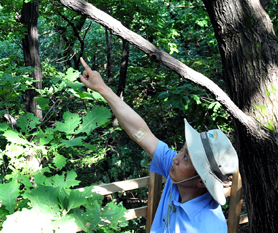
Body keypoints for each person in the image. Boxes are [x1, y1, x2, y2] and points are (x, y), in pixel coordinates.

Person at [78, 57, 238, 233]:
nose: (175, 159)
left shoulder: (209, 227)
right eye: (182, 150)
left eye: (185, 158)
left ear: (201, 181)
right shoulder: (179, 177)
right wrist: (103, 89)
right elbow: (140, 132)